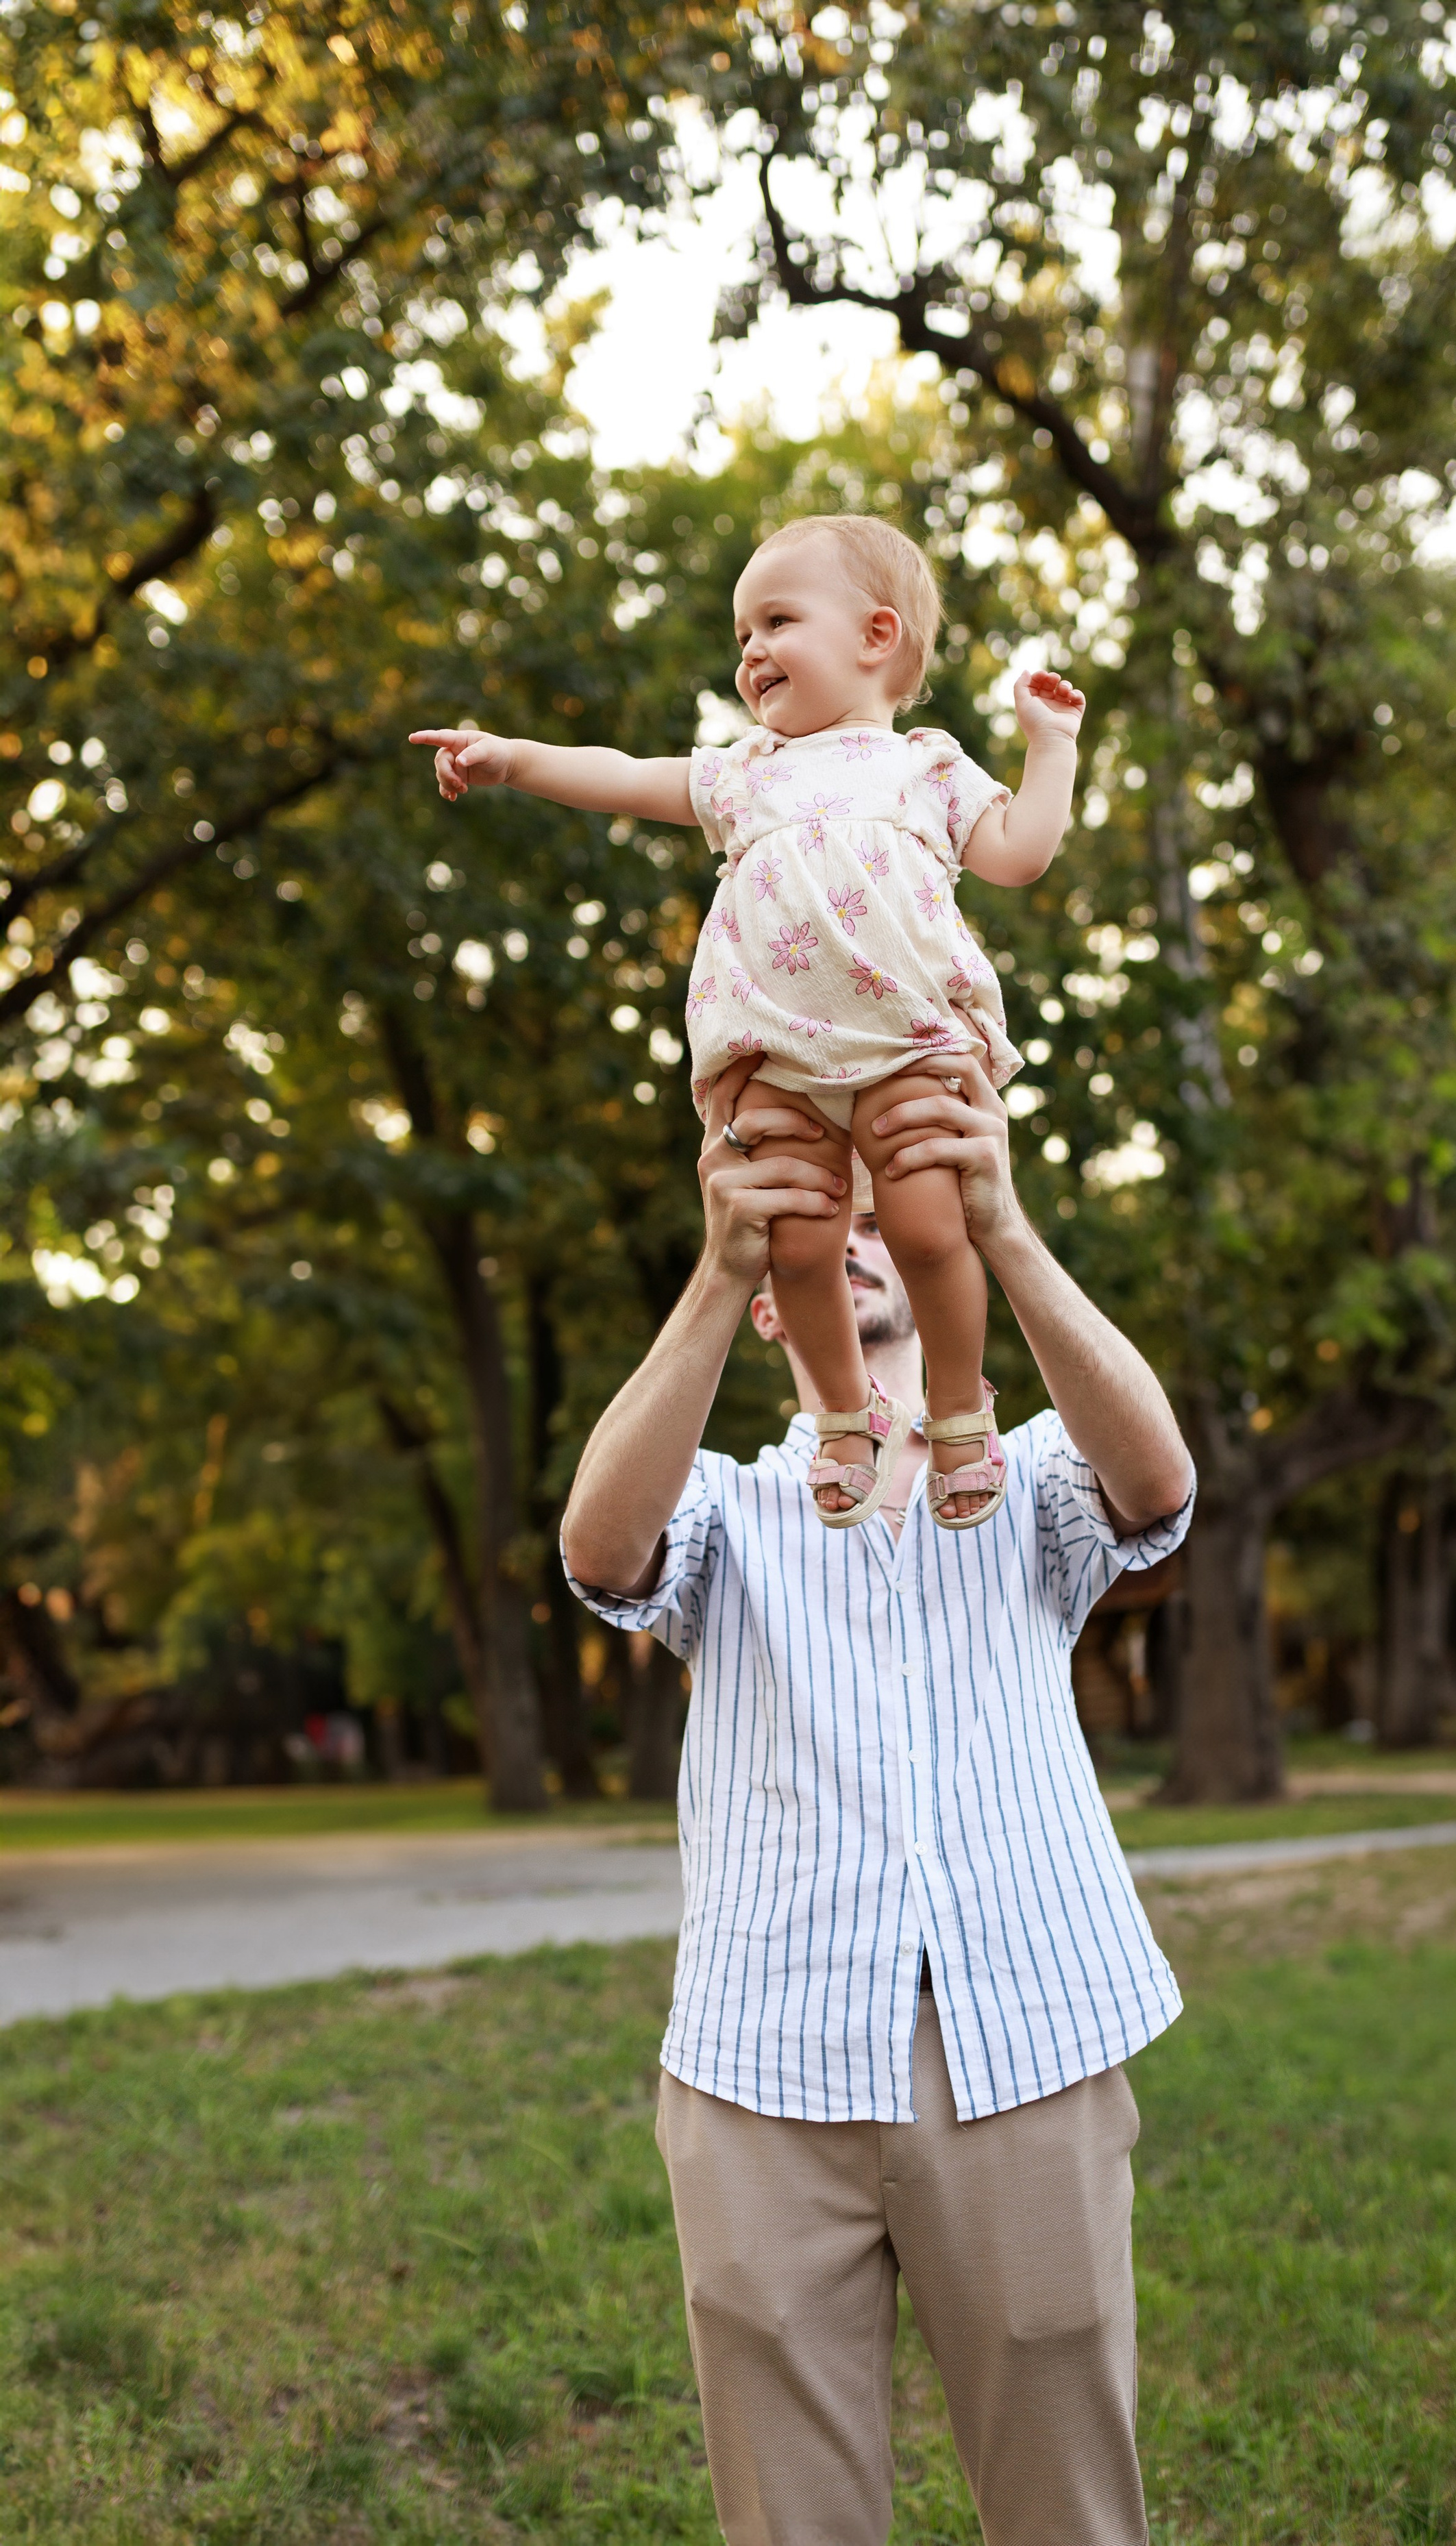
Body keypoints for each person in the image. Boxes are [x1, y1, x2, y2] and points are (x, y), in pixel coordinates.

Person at [559, 1059, 1196, 2546]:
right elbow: (599, 1549)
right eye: (816, 1218)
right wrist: (722, 1266)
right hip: (764, 2063)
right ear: (775, 1309)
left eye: (874, 1214)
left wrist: (1001, 1224)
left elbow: (1157, 1485)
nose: (844, 1229)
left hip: (1028, 2043)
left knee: (1069, 2507)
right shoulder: (725, 1511)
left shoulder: (1030, 1481)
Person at [411, 510, 1086, 1531]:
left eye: (777, 621)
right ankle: (843, 1418)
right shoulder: (745, 772)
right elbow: (625, 775)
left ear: (877, 635)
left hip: (903, 1039)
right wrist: (517, 759)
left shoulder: (926, 769)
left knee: (926, 1228)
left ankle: (956, 1409)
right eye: (742, 636)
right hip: (778, 1051)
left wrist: (1052, 747)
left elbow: (1021, 853)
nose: (752, 651)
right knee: (798, 1245)